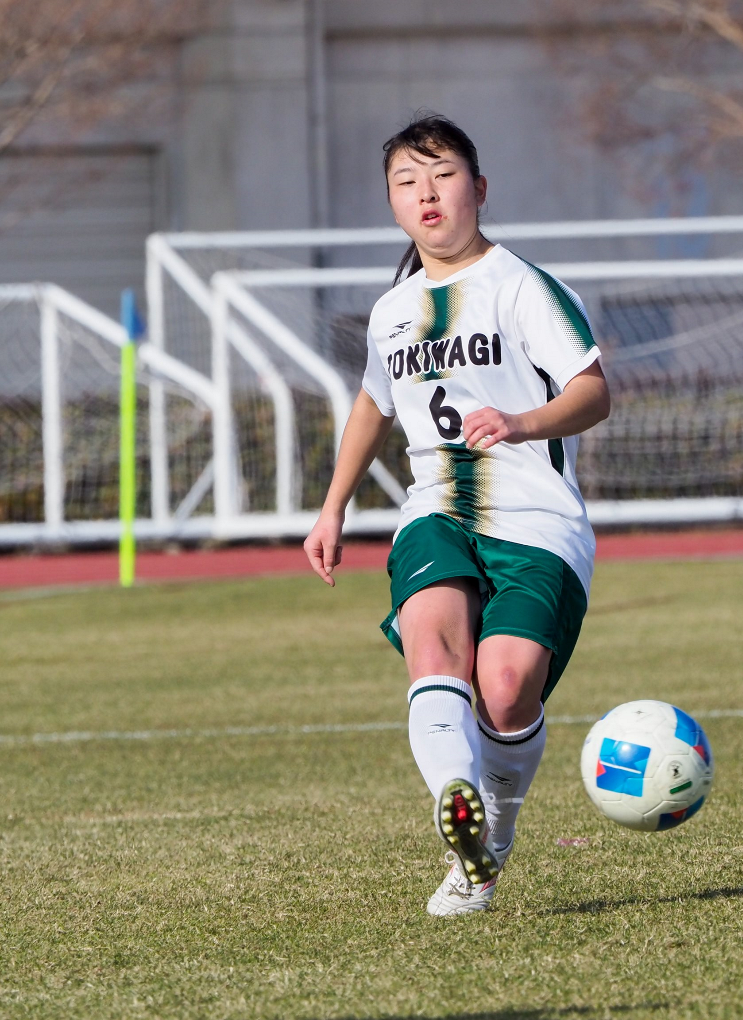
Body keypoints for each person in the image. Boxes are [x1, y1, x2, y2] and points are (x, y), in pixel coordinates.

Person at [303, 113, 610, 917]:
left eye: (441, 176)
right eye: (406, 182)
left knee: (505, 690)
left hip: (536, 520)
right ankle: (457, 807)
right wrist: (332, 507)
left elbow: (592, 392)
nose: (425, 193)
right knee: (434, 649)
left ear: (478, 189)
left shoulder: (523, 286)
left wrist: (522, 421)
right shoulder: (393, 310)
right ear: (394, 205)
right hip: (434, 507)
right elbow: (373, 403)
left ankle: (490, 842)